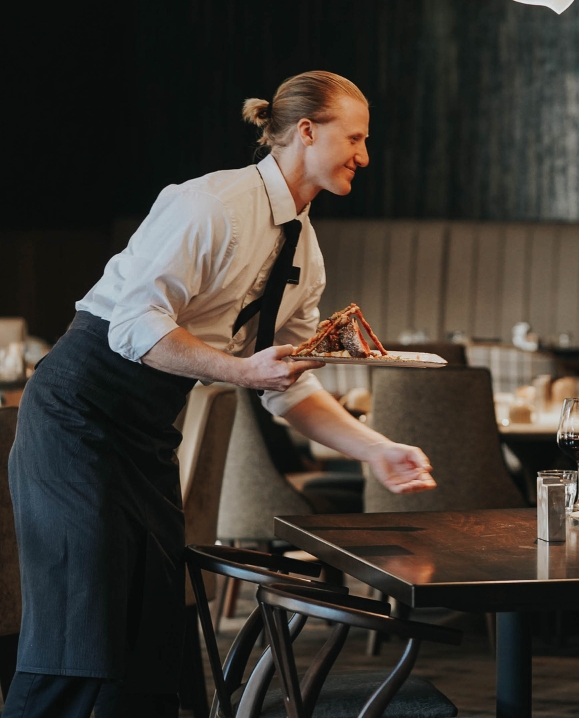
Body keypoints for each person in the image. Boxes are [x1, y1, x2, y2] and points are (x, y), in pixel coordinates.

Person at [4, 71, 437, 718]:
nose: (364, 156)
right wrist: (240, 371)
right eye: (355, 138)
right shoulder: (210, 205)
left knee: (153, 643)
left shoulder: (306, 252)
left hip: (148, 436)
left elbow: (290, 387)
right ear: (307, 131)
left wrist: (374, 450)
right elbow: (133, 327)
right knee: (80, 634)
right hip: (77, 416)